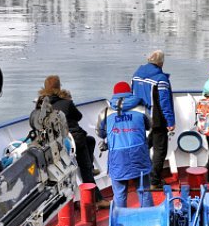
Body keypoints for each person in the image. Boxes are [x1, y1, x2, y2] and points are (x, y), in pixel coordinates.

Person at [37, 75, 108, 208]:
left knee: (90, 140)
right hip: (74, 140)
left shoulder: (41, 107)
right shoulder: (66, 103)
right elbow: (79, 116)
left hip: (55, 145)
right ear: (59, 87)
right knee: (85, 169)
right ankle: (97, 199)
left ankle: (90, 170)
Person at [96, 82, 153, 208]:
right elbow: (150, 126)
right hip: (139, 153)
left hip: (118, 156)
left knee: (119, 193)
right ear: (130, 93)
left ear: (114, 94)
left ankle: (120, 220)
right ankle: (149, 217)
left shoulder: (105, 112)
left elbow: (100, 133)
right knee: (144, 190)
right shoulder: (142, 109)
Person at [132, 50, 176, 190]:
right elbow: (164, 102)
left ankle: (139, 173)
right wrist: (170, 122)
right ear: (161, 63)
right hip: (156, 118)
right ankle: (154, 181)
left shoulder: (136, 75)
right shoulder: (160, 78)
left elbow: (133, 94)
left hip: (140, 116)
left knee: (144, 145)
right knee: (160, 149)